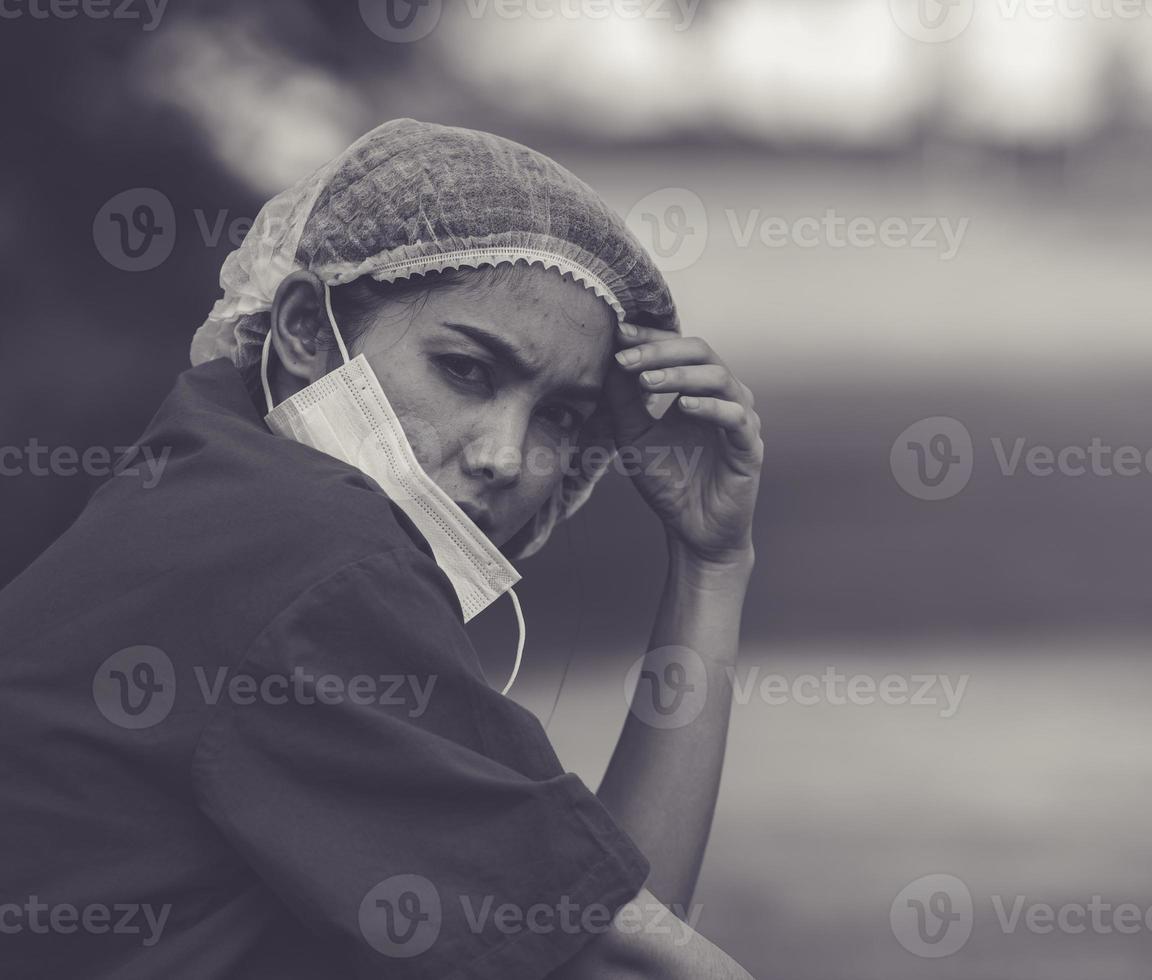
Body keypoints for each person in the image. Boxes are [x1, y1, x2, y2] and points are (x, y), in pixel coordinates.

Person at [0, 119, 762, 979]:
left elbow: (594, 921)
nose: (503, 455)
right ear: (305, 332)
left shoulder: (213, 486)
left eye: (559, 416)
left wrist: (709, 563)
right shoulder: (305, 549)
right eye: (467, 371)